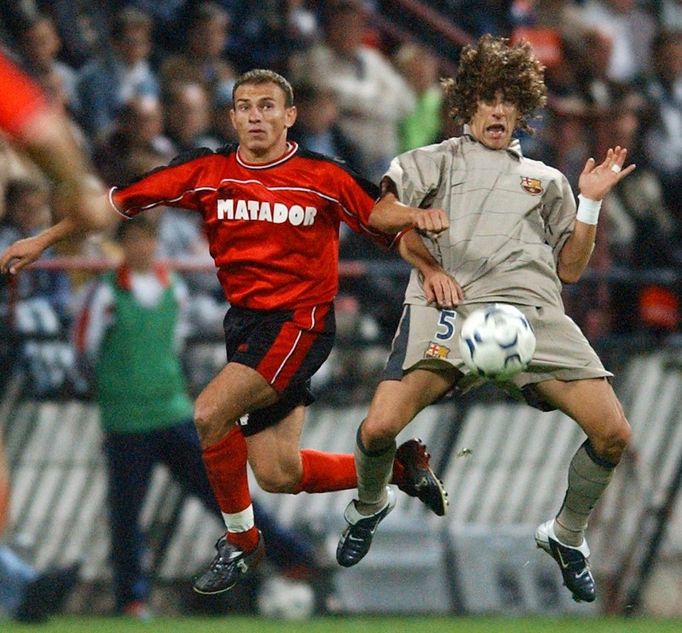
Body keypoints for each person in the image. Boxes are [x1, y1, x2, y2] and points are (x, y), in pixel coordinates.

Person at [0, 69, 452, 596]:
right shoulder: (206, 171)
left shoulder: (322, 175)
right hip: (245, 326)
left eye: (267, 106)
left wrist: (424, 242)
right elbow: (109, 207)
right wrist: (42, 240)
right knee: (278, 472)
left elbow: (381, 215)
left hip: (299, 323)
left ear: (289, 116)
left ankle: (242, 542)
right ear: (233, 117)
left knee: (209, 412)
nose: (256, 116)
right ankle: (400, 468)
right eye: (245, 107)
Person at [335, 34, 634, 605]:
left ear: (522, 108)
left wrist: (589, 202)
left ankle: (566, 536)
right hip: (452, 307)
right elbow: (380, 213)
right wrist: (419, 222)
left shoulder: (545, 181)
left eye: (509, 100)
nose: (498, 110)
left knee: (614, 433)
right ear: (468, 103)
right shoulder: (433, 161)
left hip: (532, 313)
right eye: (487, 99)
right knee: (376, 430)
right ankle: (370, 505)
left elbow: (570, 267)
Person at [74, 217, 331, 617]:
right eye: (134, 240)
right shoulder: (105, 294)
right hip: (126, 418)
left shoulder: (172, 288)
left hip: (172, 410)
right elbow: (84, 351)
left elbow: (171, 344)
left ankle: (292, 557)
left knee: (225, 495)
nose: (142, 247)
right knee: (126, 513)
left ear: (155, 243)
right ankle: (133, 598)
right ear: (123, 246)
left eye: (147, 239)